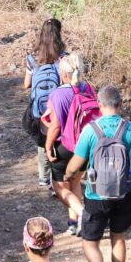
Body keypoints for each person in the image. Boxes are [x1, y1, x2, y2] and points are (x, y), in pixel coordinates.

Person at [64, 84, 131, 262]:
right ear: (119, 105)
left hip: (96, 195)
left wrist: (68, 176)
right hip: (124, 195)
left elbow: (76, 164)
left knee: (90, 242)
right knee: (118, 238)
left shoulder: (91, 130)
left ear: (99, 105)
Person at [41, 53, 89, 236]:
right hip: (86, 146)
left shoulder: (58, 94)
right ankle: (73, 223)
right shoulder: (88, 89)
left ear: (63, 73)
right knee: (75, 181)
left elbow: (55, 126)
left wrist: (47, 146)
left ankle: (83, 214)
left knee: (60, 187)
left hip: (66, 147)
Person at [22, 19, 67, 189]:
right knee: (57, 138)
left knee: (42, 140)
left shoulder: (33, 58)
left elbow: (26, 84)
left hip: (39, 109)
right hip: (57, 106)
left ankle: (43, 177)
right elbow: (65, 82)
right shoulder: (63, 57)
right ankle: (57, 179)